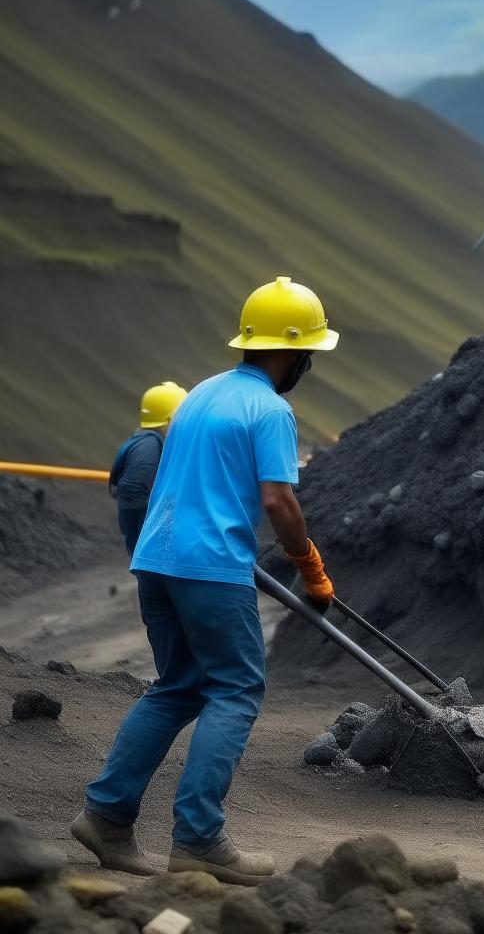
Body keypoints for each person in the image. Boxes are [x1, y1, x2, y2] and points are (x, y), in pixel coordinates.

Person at [72, 276, 339, 885]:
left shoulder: (199, 394)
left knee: (180, 684)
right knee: (236, 688)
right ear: (292, 352)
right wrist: (311, 569)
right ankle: (198, 839)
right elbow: (278, 501)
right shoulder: (271, 409)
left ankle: (107, 817)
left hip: (156, 560)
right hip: (210, 567)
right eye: (308, 355)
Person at [108, 381, 188, 554]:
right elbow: (136, 496)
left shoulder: (141, 441)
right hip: (152, 549)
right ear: (171, 419)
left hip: (142, 546)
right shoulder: (148, 448)